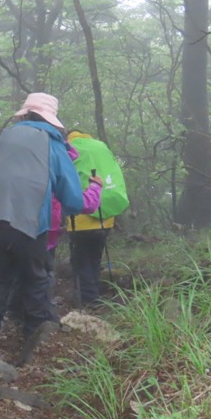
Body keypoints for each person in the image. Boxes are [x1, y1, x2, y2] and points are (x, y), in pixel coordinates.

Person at [0, 93, 102, 362]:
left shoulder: (3, 140)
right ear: (51, 120)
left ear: (24, 115)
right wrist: (95, 189)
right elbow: (73, 199)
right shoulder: (52, 143)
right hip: (29, 223)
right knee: (36, 279)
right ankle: (36, 346)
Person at [65, 129, 125, 309]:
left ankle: (88, 299)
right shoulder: (101, 147)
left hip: (80, 217)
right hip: (105, 216)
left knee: (80, 259)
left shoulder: (68, 148)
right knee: (94, 257)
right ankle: (93, 294)